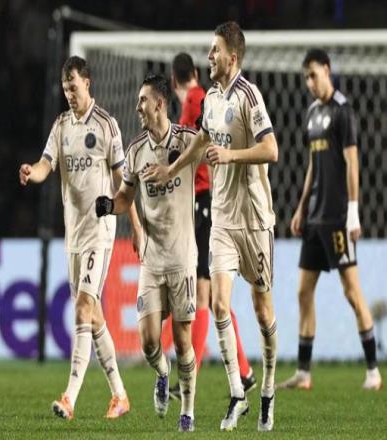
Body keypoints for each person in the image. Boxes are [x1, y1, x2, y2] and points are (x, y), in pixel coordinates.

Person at [143, 22, 279, 432]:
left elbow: (271, 149)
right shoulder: (213, 98)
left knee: (262, 311)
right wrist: (171, 170)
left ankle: (267, 390)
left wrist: (231, 155)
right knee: (218, 304)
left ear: (232, 57)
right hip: (221, 217)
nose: (209, 56)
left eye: (215, 50)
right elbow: (202, 140)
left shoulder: (249, 96)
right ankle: (238, 392)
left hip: (254, 219)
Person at [19, 56, 141, 420]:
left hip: (100, 232)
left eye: (74, 87)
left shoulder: (106, 124)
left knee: (83, 307)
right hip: (73, 234)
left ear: (87, 83)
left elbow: (123, 183)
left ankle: (69, 397)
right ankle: (120, 395)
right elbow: (46, 164)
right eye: (65, 89)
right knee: (95, 316)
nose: (69, 94)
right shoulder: (61, 125)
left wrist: (135, 226)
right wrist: (31, 172)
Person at [96, 74, 199, 432]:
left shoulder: (186, 140)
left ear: (159, 103)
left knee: (183, 340)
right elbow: (126, 196)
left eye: (143, 100)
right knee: (149, 342)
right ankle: (162, 373)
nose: (138, 106)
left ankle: (187, 411)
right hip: (152, 260)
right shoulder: (136, 150)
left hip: (183, 259)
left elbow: (208, 146)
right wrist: (110, 205)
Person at [277, 48, 383, 391]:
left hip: (338, 218)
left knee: (351, 292)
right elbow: (313, 165)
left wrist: (353, 213)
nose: (310, 82)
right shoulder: (312, 113)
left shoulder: (343, 111)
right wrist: (300, 208)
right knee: (303, 291)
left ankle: (373, 371)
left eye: (313, 74)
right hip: (314, 218)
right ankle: (304, 373)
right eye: (306, 77)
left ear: (327, 69)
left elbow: (353, 164)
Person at [167, 52, 256, 401]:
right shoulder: (201, 99)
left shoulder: (195, 100)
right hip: (207, 204)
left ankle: (189, 376)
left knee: (203, 295)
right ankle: (245, 371)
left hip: (204, 204)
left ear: (173, 80)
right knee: (217, 297)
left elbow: (196, 148)